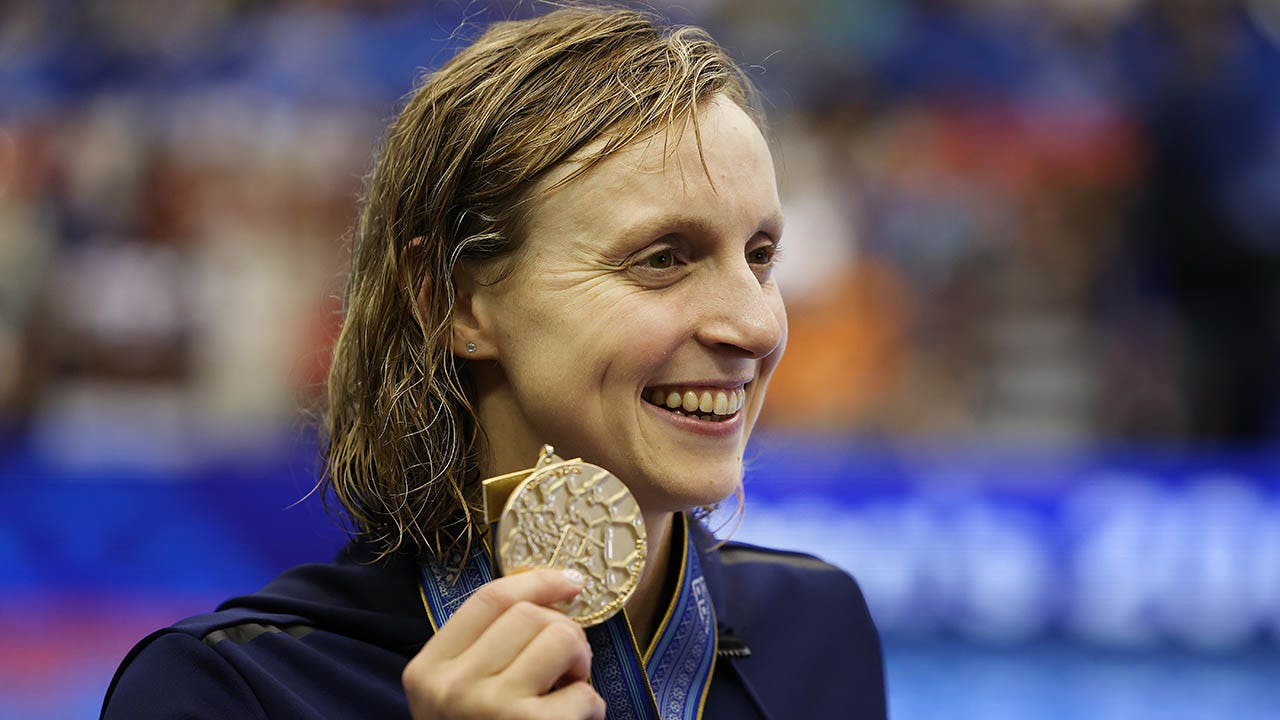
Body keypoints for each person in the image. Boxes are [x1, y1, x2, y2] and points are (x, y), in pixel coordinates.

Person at [101, 6, 885, 719]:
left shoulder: (820, 629)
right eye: (662, 258)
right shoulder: (229, 693)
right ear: (456, 301)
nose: (754, 324)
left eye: (761, 255)